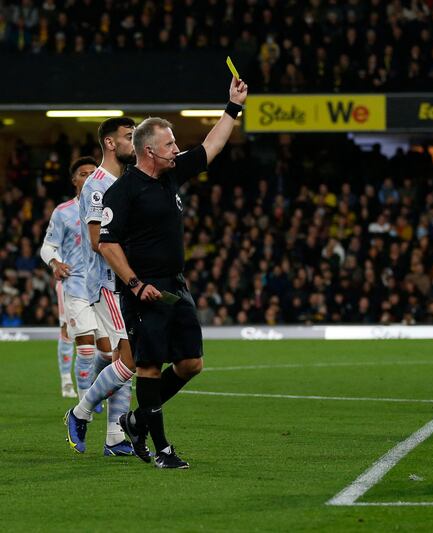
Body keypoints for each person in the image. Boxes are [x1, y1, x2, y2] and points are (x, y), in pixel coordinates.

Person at [99, 75, 248, 469]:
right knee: (149, 365)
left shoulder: (171, 173)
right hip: (142, 290)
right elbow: (108, 244)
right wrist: (135, 284)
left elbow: (211, 146)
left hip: (175, 287)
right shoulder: (123, 191)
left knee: (190, 364)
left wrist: (232, 107)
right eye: (169, 145)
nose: (176, 149)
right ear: (149, 151)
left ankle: (135, 419)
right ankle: (162, 449)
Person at [64, 118, 138, 456]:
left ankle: (115, 437)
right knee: (129, 355)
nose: (133, 142)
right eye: (128, 137)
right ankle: (79, 413)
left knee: (123, 356)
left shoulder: (123, 182)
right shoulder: (97, 186)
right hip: (107, 281)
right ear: (110, 143)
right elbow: (97, 241)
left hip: (122, 280)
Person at [41, 158, 98, 400]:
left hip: (103, 283)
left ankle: (93, 389)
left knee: (104, 346)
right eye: (83, 174)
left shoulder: (109, 207)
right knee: (70, 332)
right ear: (74, 180)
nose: (88, 178)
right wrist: (55, 262)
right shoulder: (63, 212)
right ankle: (67, 381)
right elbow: (47, 247)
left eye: (92, 173)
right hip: (72, 282)